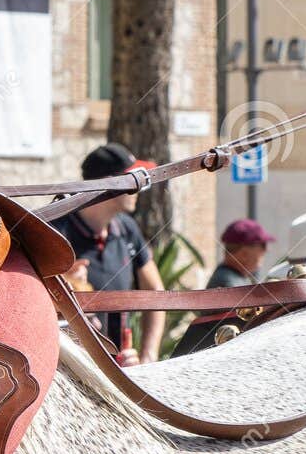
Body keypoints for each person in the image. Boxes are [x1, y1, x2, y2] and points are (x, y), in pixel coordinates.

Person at [60, 143, 165, 364]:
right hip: (72, 370)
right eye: (134, 179)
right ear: (110, 183)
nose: (139, 189)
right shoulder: (57, 231)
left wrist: (148, 358)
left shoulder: (127, 228)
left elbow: (156, 292)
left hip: (121, 368)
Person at [170, 218, 276, 356]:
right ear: (244, 253)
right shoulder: (228, 284)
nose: (265, 252)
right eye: (262, 247)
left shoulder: (233, 278)